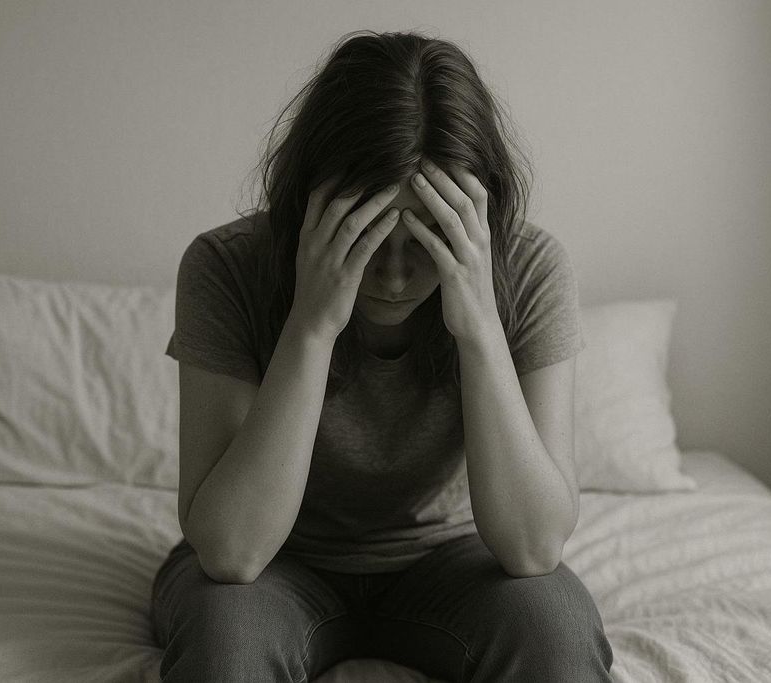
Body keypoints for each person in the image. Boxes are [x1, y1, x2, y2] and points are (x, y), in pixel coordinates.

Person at [149, 29, 613, 683]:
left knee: (556, 632)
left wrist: (480, 325)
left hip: (457, 559)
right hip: (276, 562)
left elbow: (534, 549)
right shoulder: (226, 267)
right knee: (226, 645)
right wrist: (312, 325)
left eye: (427, 240)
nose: (393, 278)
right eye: (365, 236)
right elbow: (230, 552)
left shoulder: (530, 267)